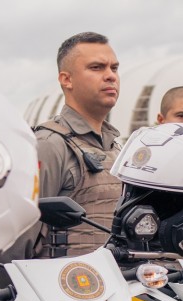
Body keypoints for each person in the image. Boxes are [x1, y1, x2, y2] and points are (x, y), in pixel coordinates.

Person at [35, 32, 121, 257]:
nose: (110, 76)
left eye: (114, 68)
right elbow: (19, 237)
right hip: (61, 287)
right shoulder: (50, 145)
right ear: (66, 79)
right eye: (96, 67)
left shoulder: (117, 149)